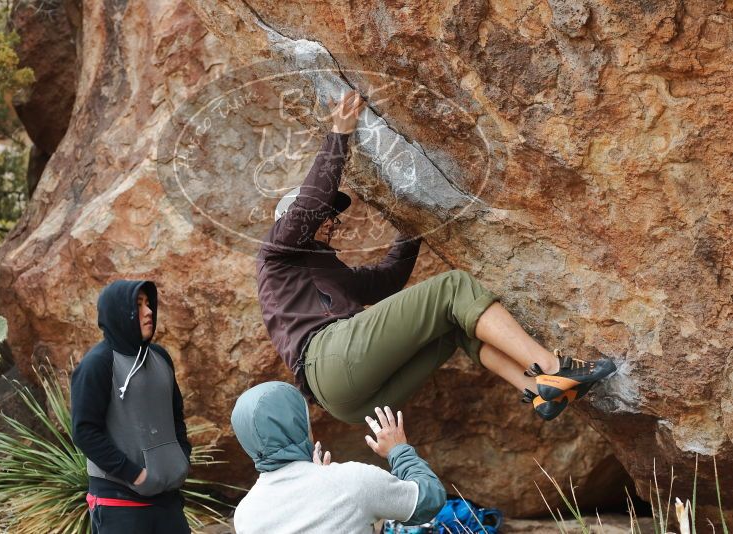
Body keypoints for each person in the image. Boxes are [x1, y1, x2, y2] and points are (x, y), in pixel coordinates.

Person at [255, 89, 616, 424]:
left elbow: (387, 280)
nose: (332, 221)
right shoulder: (276, 252)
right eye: (328, 216)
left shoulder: (320, 272)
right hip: (330, 358)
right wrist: (339, 136)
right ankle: (553, 368)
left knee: (455, 326)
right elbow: (309, 206)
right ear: (288, 222)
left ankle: (538, 390)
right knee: (454, 287)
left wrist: (415, 225)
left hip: (344, 400)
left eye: (332, 217)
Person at [230, 381, 446, 533]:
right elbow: (430, 500)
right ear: (301, 425)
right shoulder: (351, 481)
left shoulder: (245, 516)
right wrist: (399, 451)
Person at [71, 280, 192, 534]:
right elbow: (85, 432)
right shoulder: (97, 364)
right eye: (138, 306)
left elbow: (175, 416)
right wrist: (134, 475)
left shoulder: (160, 358)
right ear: (117, 312)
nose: (149, 312)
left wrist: (181, 459)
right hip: (120, 504)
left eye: (149, 304)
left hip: (168, 500)